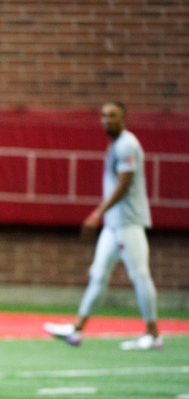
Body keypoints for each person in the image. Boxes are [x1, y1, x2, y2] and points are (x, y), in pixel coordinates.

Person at [44, 101, 162, 351]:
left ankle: (153, 334)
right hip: (114, 224)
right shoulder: (116, 144)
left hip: (128, 222)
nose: (107, 120)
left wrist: (98, 212)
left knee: (139, 275)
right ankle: (77, 330)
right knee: (98, 275)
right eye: (104, 116)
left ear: (124, 118)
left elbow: (124, 183)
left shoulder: (127, 144)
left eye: (113, 116)